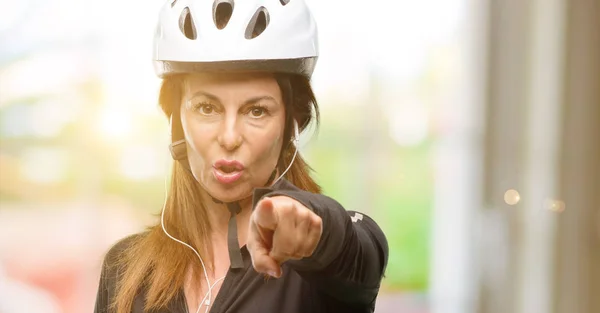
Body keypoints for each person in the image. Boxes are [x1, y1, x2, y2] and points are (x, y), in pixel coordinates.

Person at [94, 0, 389, 312]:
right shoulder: (125, 268)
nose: (230, 137)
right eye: (206, 108)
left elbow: (358, 254)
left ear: (292, 124)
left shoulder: (328, 264)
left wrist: (310, 226)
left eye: (256, 110)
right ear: (175, 121)